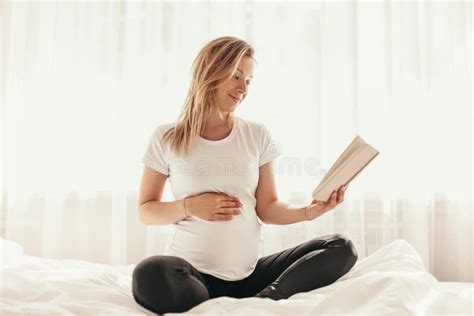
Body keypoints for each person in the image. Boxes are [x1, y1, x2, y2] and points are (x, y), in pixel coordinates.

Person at [133, 36, 358, 314]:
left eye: (249, 80)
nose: (243, 89)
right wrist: (189, 206)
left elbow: (267, 208)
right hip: (192, 276)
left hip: (249, 280)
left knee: (341, 247)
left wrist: (309, 212)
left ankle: (263, 302)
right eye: (236, 76)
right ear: (211, 73)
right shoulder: (167, 137)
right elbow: (146, 211)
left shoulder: (256, 135)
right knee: (150, 272)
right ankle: (212, 306)